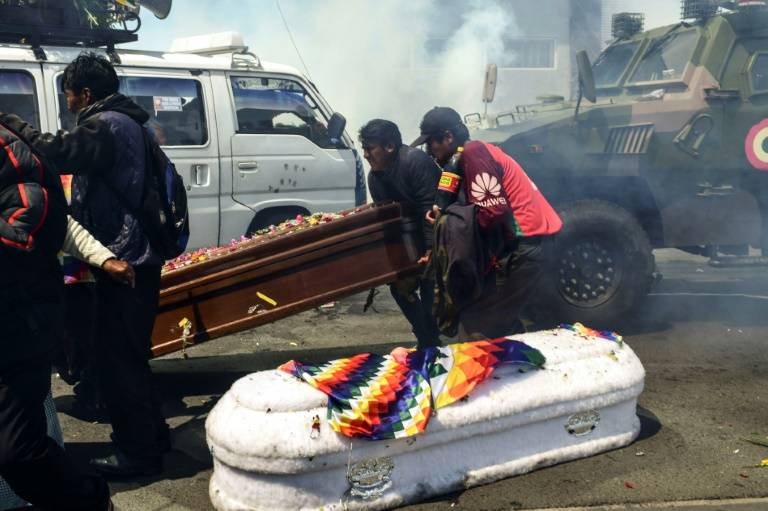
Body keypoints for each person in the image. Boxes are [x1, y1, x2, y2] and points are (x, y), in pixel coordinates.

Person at [0, 52, 170, 476]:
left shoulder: (109, 124)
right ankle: (154, 438)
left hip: (127, 258)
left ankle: (137, 453)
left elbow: (56, 152)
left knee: (117, 360)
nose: (68, 103)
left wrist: (11, 124)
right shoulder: (134, 123)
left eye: (69, 95)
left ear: (86, 94)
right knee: (130, 354)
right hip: (135, 256)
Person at [0, 117, 112, 510]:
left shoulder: (11, 152)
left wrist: (105, 257)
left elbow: (28, 234)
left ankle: (92, 500)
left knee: (18, 453)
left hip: (16, 325)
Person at [413, 107, 563, 339]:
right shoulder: (472, 155)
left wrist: (453, 229)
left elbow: (493, 212)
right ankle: (518, 363)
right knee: (495, 322)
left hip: (526, 243)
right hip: (528, 242)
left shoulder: (474, 153)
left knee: (477, 329)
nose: (429, 151)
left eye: (431, 143)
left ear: (448, 137)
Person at [361, 119, 443, 347]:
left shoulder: (414, 162)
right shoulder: (374, 177)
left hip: (439, 234)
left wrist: (429, 249)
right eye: (364, 148)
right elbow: (388, 219)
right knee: (399, 288)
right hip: (411, 240)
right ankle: (427, 340)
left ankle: (433, 343)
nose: (366, 155)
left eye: (370, 148)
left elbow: (430, 207)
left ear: (389, 147)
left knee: (430, 290)